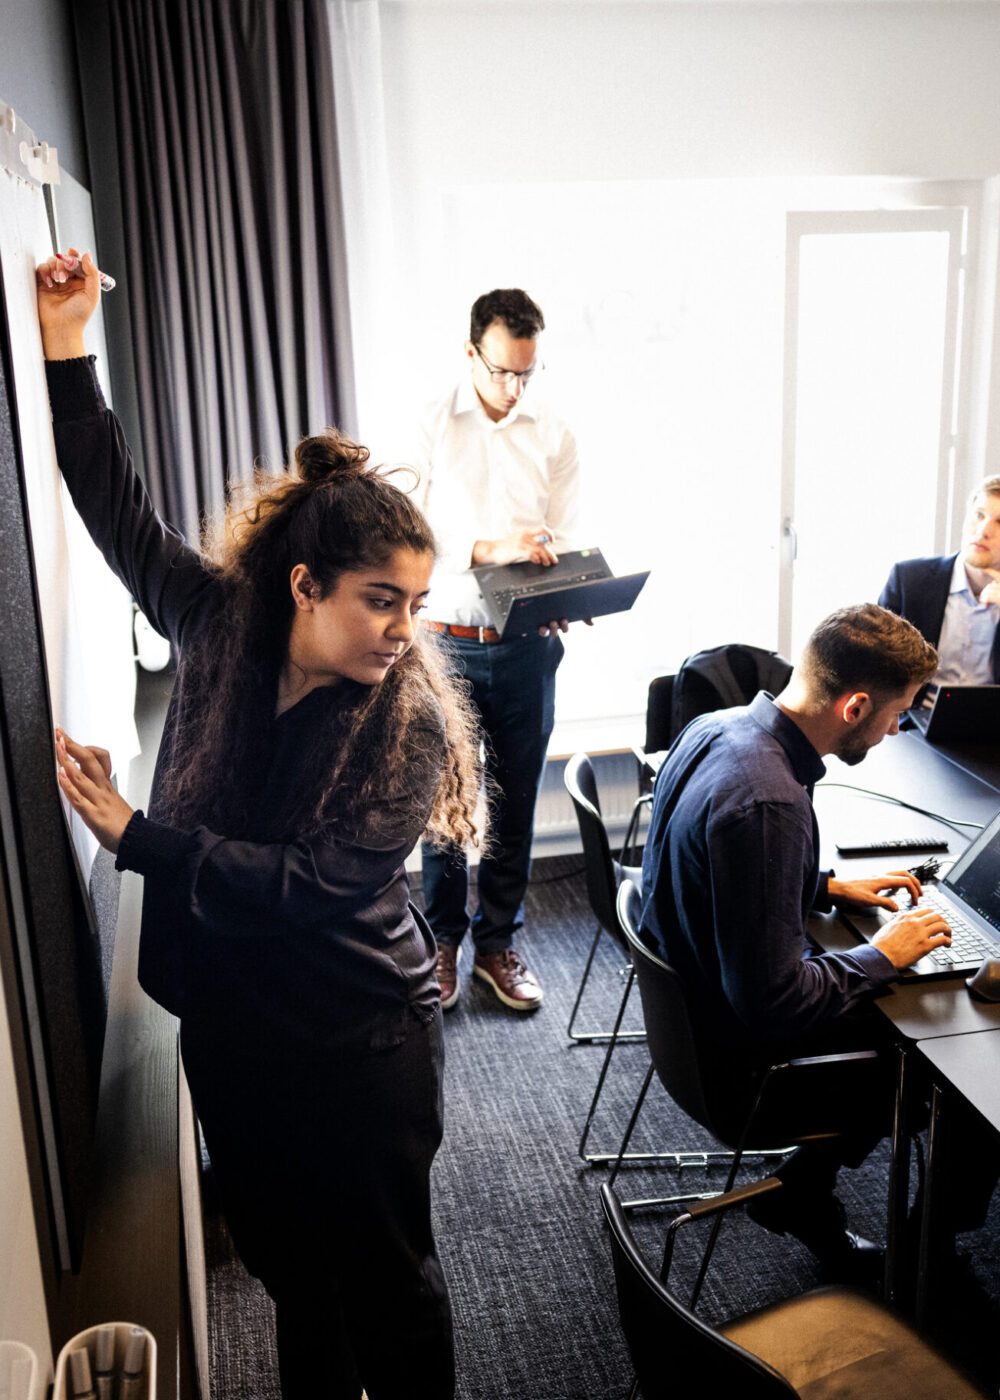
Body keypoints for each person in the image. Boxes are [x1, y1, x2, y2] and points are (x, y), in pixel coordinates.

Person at [37, 250, 483, 1400]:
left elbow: (313, 882)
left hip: (358, 1039)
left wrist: (140, 837)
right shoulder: (214, 619)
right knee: (292, 1275)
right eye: (380, 599)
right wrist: (68, 344)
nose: (403, 628)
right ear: (302, 585)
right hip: (235, 1033)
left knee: (386, 1281)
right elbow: (115, 508)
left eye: (415, 603)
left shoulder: (408, 721)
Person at [640, 603, 965, 1270]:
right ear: (854, 707)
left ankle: (803, 1189)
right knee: (950, 1064)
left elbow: (707, 866)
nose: (896, 728)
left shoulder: (717, 727)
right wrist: (883, 954)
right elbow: (776, 1002)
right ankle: (926, 1263)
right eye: (895, 713)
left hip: (691, 1023)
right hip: (743, 1068)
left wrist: (822, 887)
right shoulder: (772, 802)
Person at [410, 288, 582, 1012]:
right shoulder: (428, 423)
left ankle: (497, 945)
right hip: (442, 647)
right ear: (471, 353)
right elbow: (405, 533)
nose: (515, 388)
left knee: (514, 804)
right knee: (445, 804)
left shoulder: (555, 432)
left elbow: (564, 534)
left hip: (525, 647)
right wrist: (489, 549)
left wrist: (569, 592)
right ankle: (441, 942)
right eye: (503, 371)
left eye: (526, 373)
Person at [879, 476, 1000, 687]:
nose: (983, 531)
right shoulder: (908, 579)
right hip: (916, 706)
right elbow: (874, 663)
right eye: (979, 515)